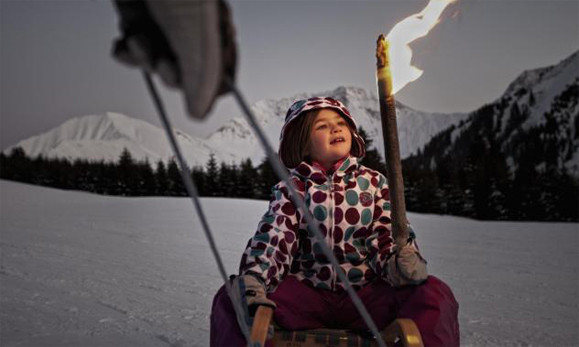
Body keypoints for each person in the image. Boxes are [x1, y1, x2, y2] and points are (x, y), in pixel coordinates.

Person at [210, 97, 459, 347]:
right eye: (322, 126)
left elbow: (384, 235)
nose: (336, 128)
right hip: (308, 293)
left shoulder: (374, 184)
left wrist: (399, 262)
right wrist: (256, 278)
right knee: (233, 297)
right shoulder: (292, 189)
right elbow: (276, 236)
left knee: (435, 294)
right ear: (303, 142)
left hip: (365, 295)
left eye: (341, 122)